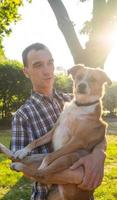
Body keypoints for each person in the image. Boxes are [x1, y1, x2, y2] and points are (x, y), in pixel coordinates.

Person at [10, 43, 106, 200]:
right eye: (38, 65)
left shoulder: (73, 100)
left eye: (50, 62)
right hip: (48, 194)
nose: (47, 70)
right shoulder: (23, 116)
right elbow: (23, 165)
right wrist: (80, 177)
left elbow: (96, 135)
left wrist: (98, 154)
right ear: (26, 72)